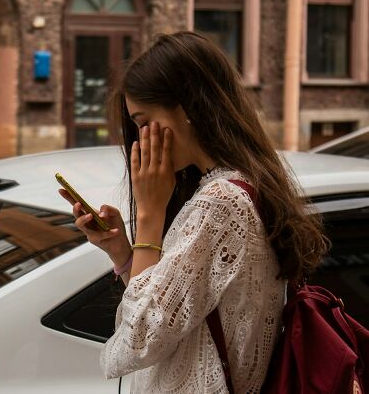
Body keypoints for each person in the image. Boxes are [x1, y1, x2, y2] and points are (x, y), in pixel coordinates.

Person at [58, 31, 329, 393]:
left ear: (186, 108)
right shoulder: (236, 188)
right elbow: (172, 313)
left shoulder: (221, 203)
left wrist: (151, 218)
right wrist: (123, 252)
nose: (140, 139)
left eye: (143, 121)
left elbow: (139, 339)